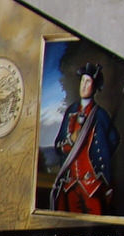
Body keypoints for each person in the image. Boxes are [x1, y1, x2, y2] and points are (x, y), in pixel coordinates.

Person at [49, 61, 119, 216]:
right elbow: (58, 145)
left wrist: (99, 157)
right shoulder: (70, 112)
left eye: (88, 82)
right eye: (82, 81)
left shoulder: (100, 115)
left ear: (94, 87)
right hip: (69, 185)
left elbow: (113, 140)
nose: (83, 85)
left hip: (92, 186)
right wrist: (71, 142)